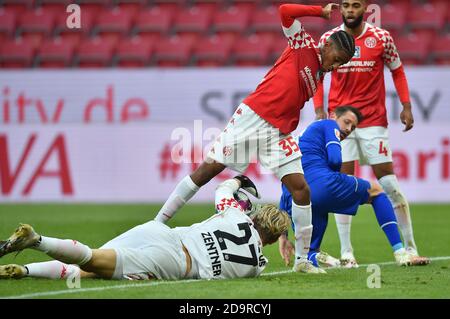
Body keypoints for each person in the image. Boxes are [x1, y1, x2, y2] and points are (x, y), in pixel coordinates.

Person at [153, 3, 356, 274]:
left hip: (278, 133)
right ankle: (157, 224)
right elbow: (285, 10)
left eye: (342, 63)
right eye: (337, 58)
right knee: (207, 171)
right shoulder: (303, 44)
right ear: (328, 44)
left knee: (302, 190)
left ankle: (303, 261)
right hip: (254, 118)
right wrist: (319, 11)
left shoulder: (319, 73)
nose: (336, 65)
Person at [0, 177, 290, 281]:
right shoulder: (257, 266)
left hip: (161, 232)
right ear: (272, 238)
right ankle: (36, 240)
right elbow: (256, 259)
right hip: (176, 263)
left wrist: (240, 180)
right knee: (91, 259)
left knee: (94, 263)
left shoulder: (236, 213)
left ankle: (26, 270)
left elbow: (224, 186)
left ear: (255, 217)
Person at [313, 0, 425, 267]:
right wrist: (319, 110)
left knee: (388, 184)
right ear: (340, 8)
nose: (350, 10)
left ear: (365, 8)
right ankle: (347, 252)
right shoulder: (329, 38)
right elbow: (319, 74)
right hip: (340, 122)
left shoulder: (381, 38)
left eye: (356, 5)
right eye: (346, 6)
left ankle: (410, 248)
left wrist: (406, 105)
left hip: (373, 121)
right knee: (343, 184)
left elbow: (397, 70)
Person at [278, 106, 430, 271]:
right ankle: (401, 252)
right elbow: (336, 160)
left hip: (295, 195)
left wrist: (283, 236)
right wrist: (335, 180)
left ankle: (315, 257)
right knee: (376, 191)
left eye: (353, 127)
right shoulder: (329, 125)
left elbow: (287, 185)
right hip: (323, 183)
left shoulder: (303, 136)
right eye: (347, 122)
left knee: (311, 245)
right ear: (333, 115)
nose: (349, 129)